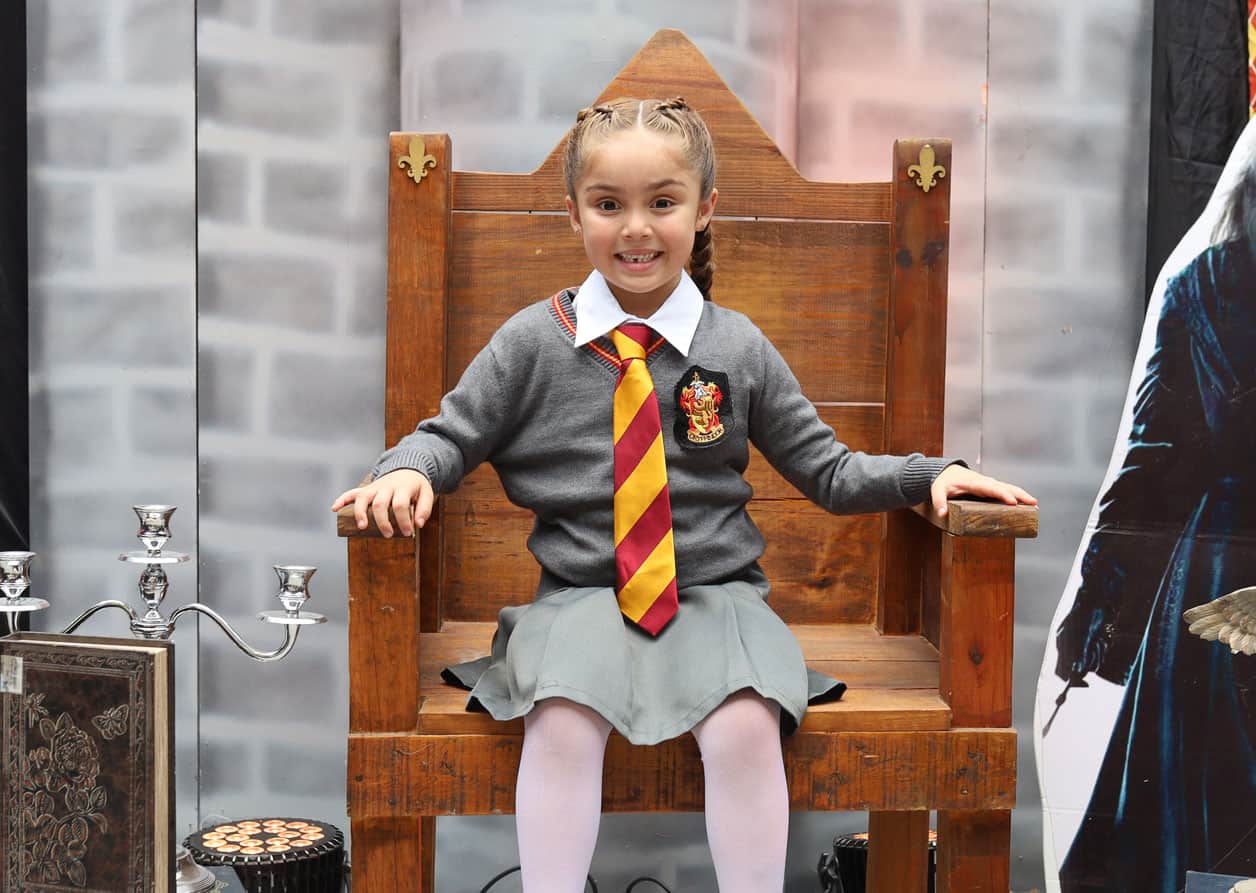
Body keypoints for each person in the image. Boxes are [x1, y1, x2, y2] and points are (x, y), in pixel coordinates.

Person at [332, 97, 1035, 892]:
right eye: (608, 205)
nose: (636, 228)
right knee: (560, 720)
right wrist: (407, 469)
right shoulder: (532, 342)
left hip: (715, 596)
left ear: (704, 209)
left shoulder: (736, 346)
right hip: (580, 598)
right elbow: (449, 435)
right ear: (573, 214)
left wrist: (927, 475)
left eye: (662, 202)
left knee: (745, 726)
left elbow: (830, 470)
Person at [1051, 142, 1256, 890]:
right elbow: (1152, 462)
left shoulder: (1199, 283)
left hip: (1216, 570)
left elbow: (1151, 462)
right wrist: (1096, 609)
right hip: (1218, 580)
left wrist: (1095, 609)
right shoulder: (1202, 285)